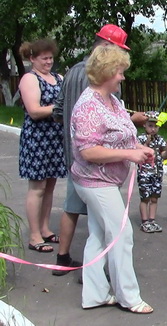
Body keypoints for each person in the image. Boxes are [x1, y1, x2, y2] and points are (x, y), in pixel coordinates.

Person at [51, 24, 146, 275]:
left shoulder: (71, 71)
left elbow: (58, 111)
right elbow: (100, 121)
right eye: (118, 49)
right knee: (108, 227)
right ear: (106, 46)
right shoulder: (98, 77)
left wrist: (69, 136)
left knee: (74, 209)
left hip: (75, 154)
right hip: (94, 163)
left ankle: (64, 259)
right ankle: (100, 275)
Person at [71, 44, 154, 313]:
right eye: (120, 72)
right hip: (95, 181)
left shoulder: (113, 102)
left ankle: (94, 295)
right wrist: (130, 154)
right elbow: (89, 151)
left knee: (98, 235)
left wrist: (139, 149)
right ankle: (129, 297)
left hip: (107, 180)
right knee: (121, 234)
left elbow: (121, 137)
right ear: (107, 72)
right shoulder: (88, 106)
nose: (123, 77)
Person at [18, 39, 66, 253]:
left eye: (50, 58)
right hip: (37, 139)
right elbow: (35, 111)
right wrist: (60, 106)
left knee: (50, 186)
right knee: (37, 188)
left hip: (56, 139)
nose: (49, 62)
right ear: (32, 59)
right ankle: (34, 235)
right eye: (44, 58)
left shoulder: (59, 78)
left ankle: (45, 229)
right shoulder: (29, 78)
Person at [137, 111, 167, 233]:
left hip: (157, 173)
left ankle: (152, 220)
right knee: (145, 198)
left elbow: (164, 157)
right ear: (145, 125)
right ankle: (144, 222)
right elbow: (140, 153)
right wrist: (147, 143)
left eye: (156, 126)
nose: (153, 129)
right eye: (150, 126)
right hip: (144, 173)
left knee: (154, 198)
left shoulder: (160, 140)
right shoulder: (140, 138)